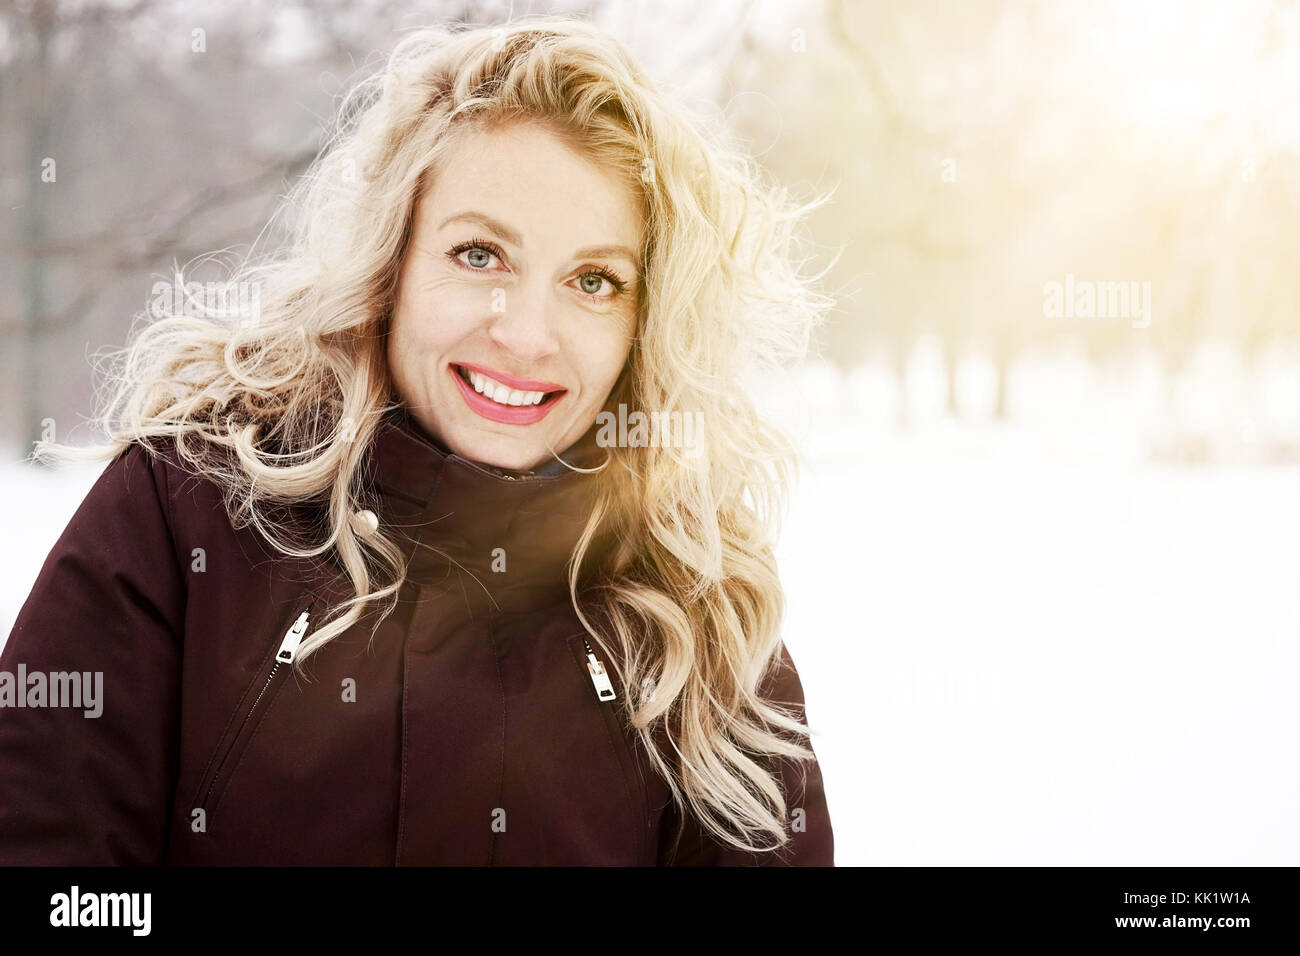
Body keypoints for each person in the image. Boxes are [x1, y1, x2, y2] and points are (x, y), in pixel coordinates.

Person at [0, 15, 835, 866]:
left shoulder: (695, 603)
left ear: (642, 321)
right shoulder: (186, 513)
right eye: (480, 255)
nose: (528, 335)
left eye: (593, 280)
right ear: (392, 261)